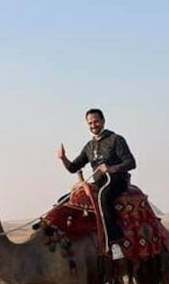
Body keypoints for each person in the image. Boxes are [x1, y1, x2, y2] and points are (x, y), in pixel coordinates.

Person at [56, 108, 136, 260]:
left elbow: (131, 163)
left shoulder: (116, 139)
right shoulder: (89, 146)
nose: (93, 125)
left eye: (96, 121)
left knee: (103, 198)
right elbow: (73, 167)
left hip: (117, 181)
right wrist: (63, 158)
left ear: (103, 121)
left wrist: (111, 168)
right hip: (99, 182)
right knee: (67, 199)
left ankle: (115, 242)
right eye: (90, 123)